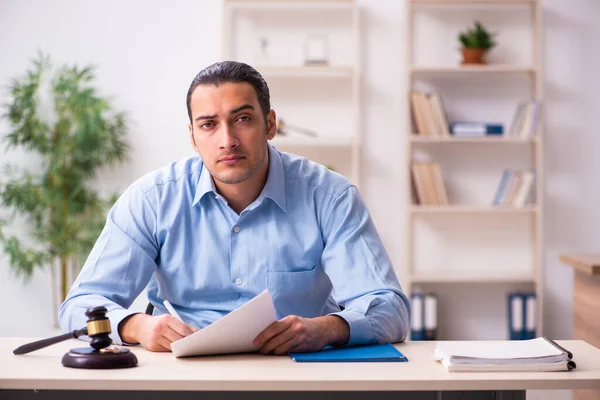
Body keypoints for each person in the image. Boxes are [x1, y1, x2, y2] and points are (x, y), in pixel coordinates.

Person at [59, 61, 410, 354]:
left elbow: (390, 309)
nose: (227, 140)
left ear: (270, 124)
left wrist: (326, 329)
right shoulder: (151, 199)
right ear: (193, 137)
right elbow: (80, 304)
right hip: (183, 378)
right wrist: (136, 326)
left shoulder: (329, 196)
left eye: (242, 119)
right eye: (209, 125)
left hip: (296, 377)